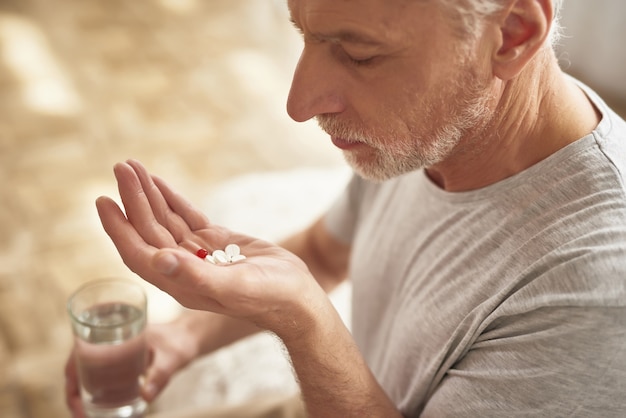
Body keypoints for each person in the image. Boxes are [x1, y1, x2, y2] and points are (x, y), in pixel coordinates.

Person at [66, 0, 626, 416]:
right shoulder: (431, 137)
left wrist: (303, 321)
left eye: (359, 55)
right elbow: (324, 253)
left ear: (512, 34)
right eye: (304, 35)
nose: (298, 103)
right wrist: (181, 338)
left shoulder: (595, 292)